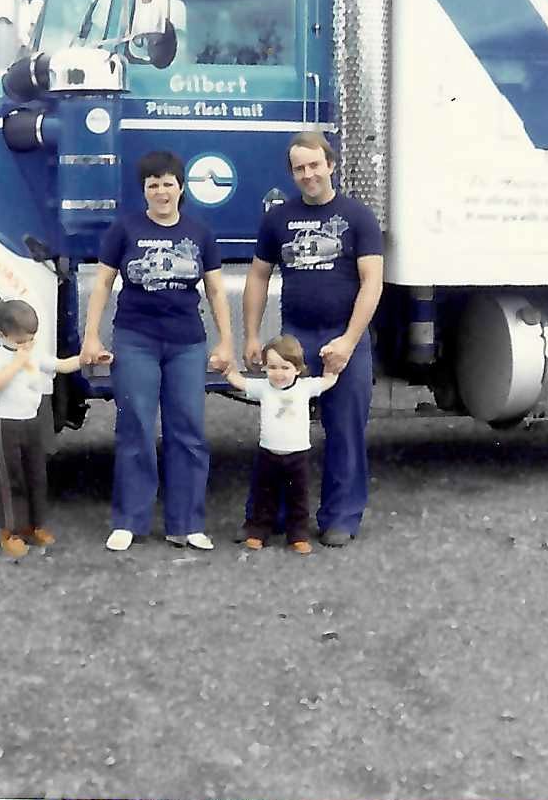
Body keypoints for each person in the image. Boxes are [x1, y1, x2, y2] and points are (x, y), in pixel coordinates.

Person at [79, 151, 234, 552]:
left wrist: (227, 341)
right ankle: (130, 520)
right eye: (153, 184)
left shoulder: (200, 233)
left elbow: (215, 289)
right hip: (136, 340)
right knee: (136, 428)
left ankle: (186, 523)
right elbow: (101, 285)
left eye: (168, 183)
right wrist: (91, 336)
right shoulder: (124, 230)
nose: (161, 191)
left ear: (181, 188)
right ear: (143, 190)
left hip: (187, 343)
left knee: (189, 432)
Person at [241, 131, 384, 546]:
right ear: (293, 173)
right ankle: (283, 517)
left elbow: (371, 282)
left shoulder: (358, 217)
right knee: (284, 431)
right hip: (295, 342)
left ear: (331, 165)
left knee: (345, 430)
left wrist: (348, 342)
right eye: (300, 168)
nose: (308, 174)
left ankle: (341, 517)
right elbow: (257, 275)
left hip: (345, 338)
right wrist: (252, 335)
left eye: (314, 165)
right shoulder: (278, 219)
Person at [0, 299, 83, 559]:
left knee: (36, 476)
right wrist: (17, 362)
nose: (26, 346)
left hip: (31, 422)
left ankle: (34, 525)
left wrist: (85, 359)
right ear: (2, 335)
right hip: (7, 424)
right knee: (11, 478)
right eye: (20, 342)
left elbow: (60, 365)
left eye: (31, 340)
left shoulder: (34, 355)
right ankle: (11, 531)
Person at [224, 335, 337, 555]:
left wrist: (331, 363)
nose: (279, 373)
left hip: (298, 456)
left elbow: (329, 380)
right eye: (272, 367)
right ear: (265, 368)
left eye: (285, 367)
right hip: (268, 454)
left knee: (298, 498)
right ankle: (258, 531)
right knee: (264, 496)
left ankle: (298, 535)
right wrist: (227, 369)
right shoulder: (263, 387)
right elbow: (239, 382)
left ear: (297, 369)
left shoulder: (306, 387)